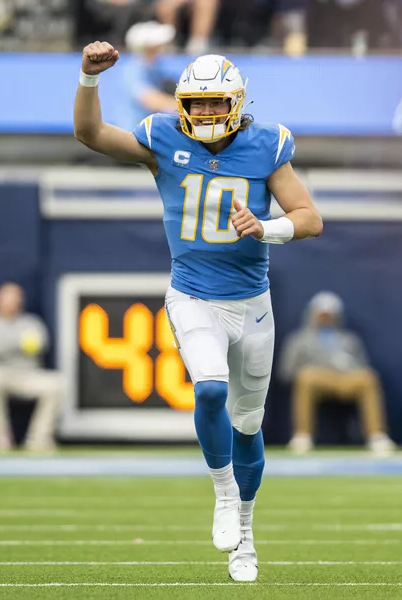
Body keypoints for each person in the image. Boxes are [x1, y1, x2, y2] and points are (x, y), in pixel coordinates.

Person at [73, 44, 323, 582]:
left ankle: (247, 535)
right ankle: (224, 493)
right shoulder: (163, 138)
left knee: (248, 424)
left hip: (252, 303)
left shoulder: (265, 145)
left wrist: (267, 227)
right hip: (192, 295)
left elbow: (309, 217)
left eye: (215, 104)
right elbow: (91, 134)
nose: (206, 113)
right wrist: (88, 79)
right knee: (209, 388)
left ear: (235, 103)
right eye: (198, 103)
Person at [280, 291, 395, 456]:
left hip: (345, 379)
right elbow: (287, 371)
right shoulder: (299, 339)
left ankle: (377, 436)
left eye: (329, 315)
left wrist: (347, 367)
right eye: (321, 315)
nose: (325, 319)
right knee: (306, 377)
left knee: (367, 377)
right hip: (316, 380)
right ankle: (302, 436)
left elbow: (361, 364)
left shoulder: (349, 339)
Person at [0, 282, 63, 453]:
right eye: (7, 298)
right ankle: (0, 436)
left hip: (27, 376)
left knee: (57, 383)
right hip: (0, 375)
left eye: (15, 299)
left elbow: (42, 343)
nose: (11, 303)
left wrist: (9, 345)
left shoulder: (31, 323)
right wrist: (19, 344)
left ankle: (39, 439)